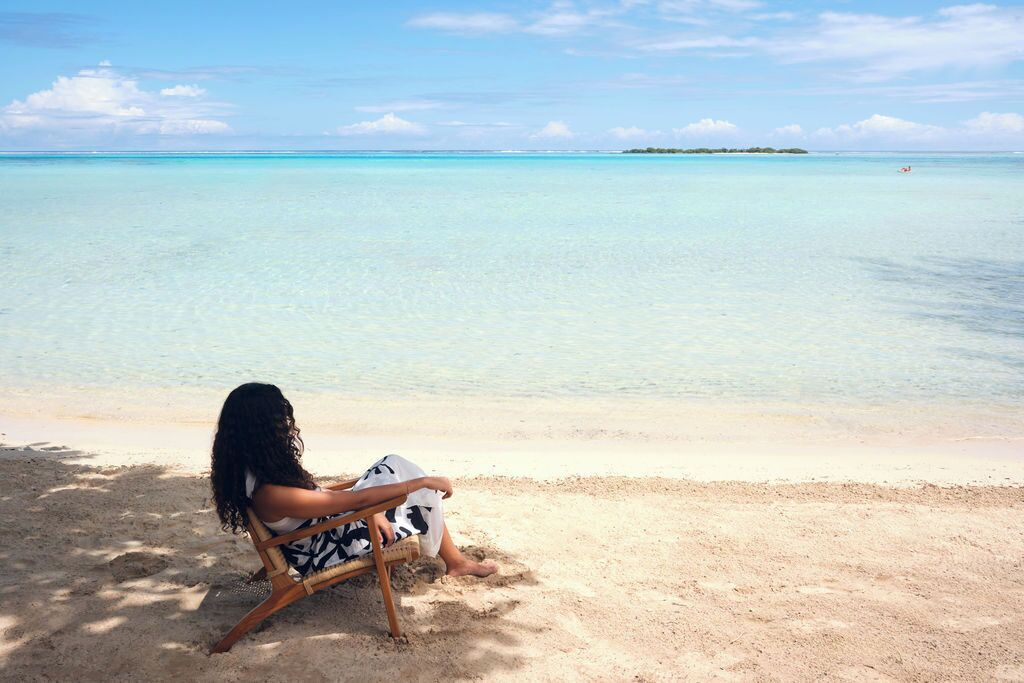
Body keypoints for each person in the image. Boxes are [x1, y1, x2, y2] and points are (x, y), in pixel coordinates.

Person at [210, 382, 497, 578]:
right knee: (419, 497)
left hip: (330, 522)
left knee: (393, 463)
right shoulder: (270, 492)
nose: (287, 426)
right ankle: (456, 562)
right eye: (280, 421)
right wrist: (419, 485)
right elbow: (352, 500)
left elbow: (330, 500)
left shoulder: (256, 470)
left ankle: (455, 561)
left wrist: (368, 512)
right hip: (331, 547)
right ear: (262, 430)